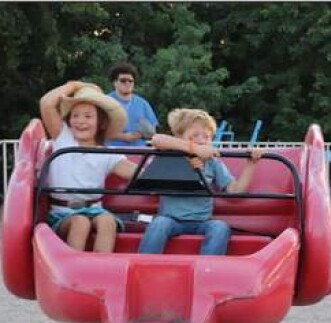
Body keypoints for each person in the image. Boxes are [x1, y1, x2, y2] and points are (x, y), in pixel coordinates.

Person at [39, 82, 215, 253]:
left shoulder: (107, 154)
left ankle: (102, 267)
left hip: (94, 209)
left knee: (107, 221)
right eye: (75, 116)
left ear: (101, 122)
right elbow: (47, 103)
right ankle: (71, 271)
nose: (80, 121)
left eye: (88, 116)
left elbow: (141, 175)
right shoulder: (63, 138)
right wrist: (74, 85)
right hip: (63, 212)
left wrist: (185, 165)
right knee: (80, 222)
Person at [138, 108, 265, 255]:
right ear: (179, 136)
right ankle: (144, 264)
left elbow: (235, 190)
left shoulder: (213, 162)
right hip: (171, 219)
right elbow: (157, 139)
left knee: (220, 227)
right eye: (194, 135)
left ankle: (207, 269)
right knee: (159, 224)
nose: (201, 140)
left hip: (202, 221)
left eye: (207, 136)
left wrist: (251, 164)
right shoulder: (171, 156)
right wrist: (193, 149)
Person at [106, 61, 159, 147]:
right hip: (112, 152)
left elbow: (153, 131)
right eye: (123, 81)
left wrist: (142, 134)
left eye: (131, 81)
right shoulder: (105, 101)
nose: (127, 83)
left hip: (139, 152)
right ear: (114, 82)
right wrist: (124, 137)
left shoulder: (143, 103)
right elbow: (97, 130)